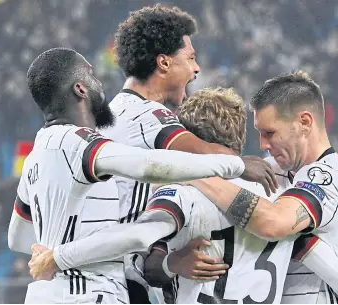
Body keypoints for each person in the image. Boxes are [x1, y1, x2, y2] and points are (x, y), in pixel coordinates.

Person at [28, 87, 338, 304]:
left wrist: (60, 256)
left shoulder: (182, 194)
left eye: (270, 134)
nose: (264, 147)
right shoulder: (279, 191)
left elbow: (137, 242)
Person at [7, 47, 275, 304]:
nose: (100, 81)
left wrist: (55, 249)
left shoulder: (36, 154)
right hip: (88, 294)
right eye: (92, 74)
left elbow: (17, 238)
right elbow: (148, 166)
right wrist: (236, 165)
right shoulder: (82, 143)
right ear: (80, 88)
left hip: (45, 294)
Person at [98, 4, 277, 302]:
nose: (197, 69)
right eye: (191, 58)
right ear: (164, 63)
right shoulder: (147, 114)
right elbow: (201, 152)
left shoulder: (109, 114)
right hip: (123, 281)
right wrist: (242, 164)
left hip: (103, 272)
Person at [175, 72, 338, 303]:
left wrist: (195, 174)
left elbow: (273, 223)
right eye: (259, 133)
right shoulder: (267, 169)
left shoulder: (333, 179)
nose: (263, 144)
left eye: (270, 133)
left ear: (305, 122)